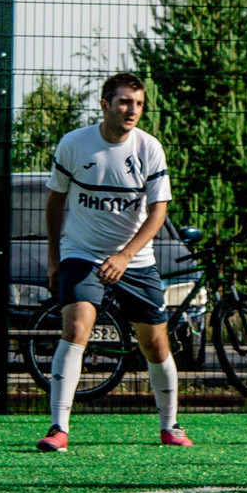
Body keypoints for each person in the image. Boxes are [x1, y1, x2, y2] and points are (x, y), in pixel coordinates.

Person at [38, 73, 186, 452]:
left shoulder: (150, 148)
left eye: (138, 103)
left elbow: (158, 212)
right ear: (104, 105)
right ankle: (59, 428)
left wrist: (124, 256)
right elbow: (55, 202)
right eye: (123, 102)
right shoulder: (74, 144)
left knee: (155, 344)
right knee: (76, 328)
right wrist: (55, 257)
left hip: (135, 260)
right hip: (81, 252)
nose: (132, 110)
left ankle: (170, 426)